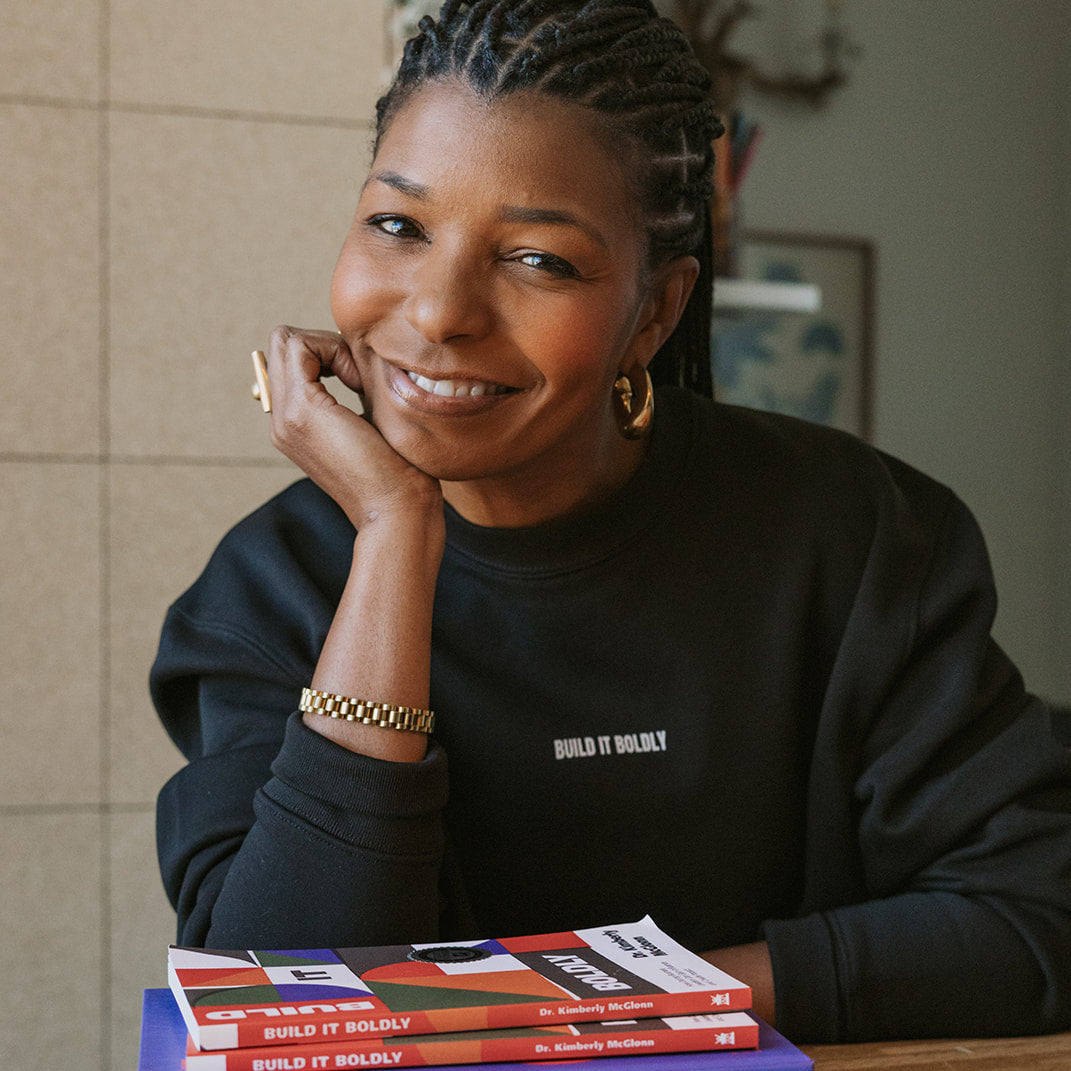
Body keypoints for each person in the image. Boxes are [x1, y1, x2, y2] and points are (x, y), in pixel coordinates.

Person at [151, 0, 1071, 1045]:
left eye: (538, 259)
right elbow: (282, 1006)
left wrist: (584, 1007)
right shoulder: (266, 589)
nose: (441, 310)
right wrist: (395, 537)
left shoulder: (851, 535)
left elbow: (1034, 918)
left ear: (655, 312)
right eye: (399, 226)